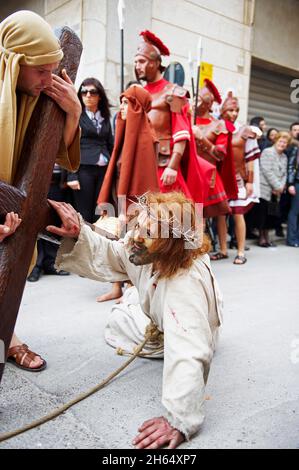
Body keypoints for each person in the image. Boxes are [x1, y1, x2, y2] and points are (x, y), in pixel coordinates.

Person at [47, 191, 223, 449]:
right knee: (129, 304)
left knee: (119, 318)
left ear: (170, 244)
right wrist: (79, 233)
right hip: (181, 322)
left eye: (148, 232)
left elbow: (189, 349)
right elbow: (118, 254)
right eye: (139, 224)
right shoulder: (158, 250)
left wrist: (179, 419)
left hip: (190, 333)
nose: (136, 235)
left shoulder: (182, 284)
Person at [0, 10, 81, 371]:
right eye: (41, 70)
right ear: (14, 62)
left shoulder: (33, 93)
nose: (50, 80)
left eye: (54, 69)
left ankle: (7, 332)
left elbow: (51, 155)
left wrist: (74, 112)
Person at [96, 84, 159, 302]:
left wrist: (127, 209)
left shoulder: (146, 137)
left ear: (137, 106)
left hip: (133, 202)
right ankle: (116, 286)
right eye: (121, 102)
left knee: (134, 243)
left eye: (126, 103)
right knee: (117, 242)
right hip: (119, 196)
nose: (121, 108)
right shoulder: (125, 133)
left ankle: (132, 287)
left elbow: (145, 181)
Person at [134, 30, 212, 206]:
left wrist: (173, 166)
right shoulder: (140, 93)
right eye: (136, 61)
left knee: (172, 217)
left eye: (142, 61)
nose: (137, 66)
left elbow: (181, 132)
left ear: (155, 63)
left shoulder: (174, 92)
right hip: (144, 162)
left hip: (164, 164)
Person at [192, 81, 238, 260]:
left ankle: (198, 254)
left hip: (207, 174)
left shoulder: (219, 125)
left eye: (198, 99)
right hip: (188, 171)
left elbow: (220, 154)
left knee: (200, 215)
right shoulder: (188, 119)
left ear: (207, 103)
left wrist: (201, 138)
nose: (194, 102)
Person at [219, 92, 260, 264]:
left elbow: (250, 159)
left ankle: (241, 251)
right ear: (223, 111)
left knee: (237, 214)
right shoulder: (217, 127)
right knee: (220, 215)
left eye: (236, 110)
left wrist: (250, 181)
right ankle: (223, 250)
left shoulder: (246, 131)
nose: (234, 113)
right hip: (220, 178)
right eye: (230, 110)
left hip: (238, 178)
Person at [67, 78, 114, 223]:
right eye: (84, 92)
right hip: (83, 169)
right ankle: (84, 244)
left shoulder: (105, 116)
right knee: (84, 212)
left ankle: (97, 244)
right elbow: (69, 145)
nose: (88, 95)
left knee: (100, 211)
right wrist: (71, 176)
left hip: (103, 170)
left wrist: (115, 169)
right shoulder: (76, 115)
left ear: (100, 95)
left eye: (92, 92)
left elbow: (110, 143)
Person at [257, 131, 290, 247]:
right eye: (281, 141)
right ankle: (261, 238)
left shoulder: (284, 156)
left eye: (285, 142)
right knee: (263, 215)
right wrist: (277, 186)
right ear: (275, 141)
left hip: (276, 191)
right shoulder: (267, 152)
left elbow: (285, 173)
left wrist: (281, 187)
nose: (282, 144)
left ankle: (267, 238)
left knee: (272, 215)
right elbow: (267, 171)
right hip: (265, 188)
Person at [286, 143, 299, 246]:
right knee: (294, 211)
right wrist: (290, 184)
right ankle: (291, 239)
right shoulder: (296, 150)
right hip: (297, 182)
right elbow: (291, 167)